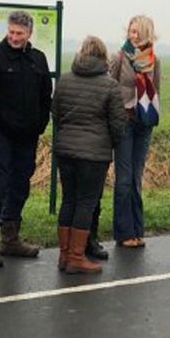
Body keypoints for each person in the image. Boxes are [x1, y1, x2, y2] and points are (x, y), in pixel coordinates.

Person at [0, 11, 52, 260]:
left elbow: (45, 97)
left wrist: (40, 124)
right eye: (11, 32)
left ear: (29, 33)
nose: (14, 37)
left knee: (21, 184)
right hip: (1, 134)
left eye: (19, 33)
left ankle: (11, 238)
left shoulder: (38, 59)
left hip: (28, 135)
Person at [52, 36, 127, 274]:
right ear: (103, 57)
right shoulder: (110, 86)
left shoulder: (64, 81)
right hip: (94, 154)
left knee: (69, 200)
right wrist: (110, 144)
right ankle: (76, 256)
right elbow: (118, 125)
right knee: (86, 202)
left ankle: (64, 255)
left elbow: (56, 113)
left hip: (65, 150)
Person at [109, 15, 162, 249]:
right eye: (131, 31)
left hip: (144, 123)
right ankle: (123, 232)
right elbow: (109, 88)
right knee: (124, 179)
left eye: (138, 31)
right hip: (124, 121)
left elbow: (155, 90)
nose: (134, 35)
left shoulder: (154, 60)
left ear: (147, 33)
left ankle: (138, 231)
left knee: (136, 178)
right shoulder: (119, 57)